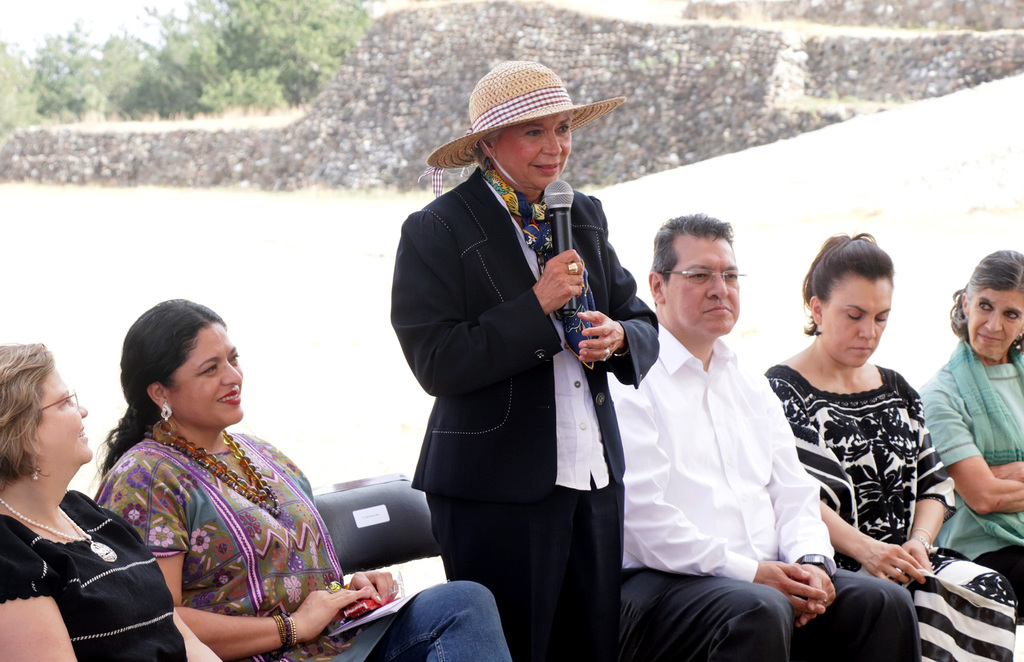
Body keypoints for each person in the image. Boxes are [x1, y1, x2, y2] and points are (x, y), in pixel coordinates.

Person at [390, 60, 659, 661]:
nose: (555, 147)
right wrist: (537, 306)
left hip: (595, 477)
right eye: (534, 131)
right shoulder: (437, 227)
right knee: (512, 649)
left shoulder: (582, 212)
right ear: (488, 144)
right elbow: (436, 360)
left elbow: (641, 320)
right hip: (494, 488)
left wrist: (617, 336)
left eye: (563, 129)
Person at [96, 300, 513, 662]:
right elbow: (156, 621)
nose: (233, 376)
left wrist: (350, 595)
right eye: (210, 369)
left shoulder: (263, 453)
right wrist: (292, 627)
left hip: (338, 642)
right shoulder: (147, 476)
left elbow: (300, 577)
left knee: (463, 601)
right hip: (264, 654)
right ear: (160, 393)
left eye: (234, 359)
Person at [608, 214, 920, 662]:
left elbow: (794, 492)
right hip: (665, 585)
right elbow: (644, 523)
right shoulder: (629, 381)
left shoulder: (750, 383)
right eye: (700, 275)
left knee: (884, 603)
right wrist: (754, 573)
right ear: (658, 287)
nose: (720, 289)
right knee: (760, 608)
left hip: (764, 580)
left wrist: (811, 563)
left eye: (731, 275)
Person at [766, 234, 1016, 660]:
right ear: (817, 308)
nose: (869, 332)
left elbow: (935, 485)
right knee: (898, 601)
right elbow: (794, 496)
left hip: (908, 557)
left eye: (881, 318)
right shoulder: (781, 391)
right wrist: (869, 551)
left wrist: (919, 542)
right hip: (833, 564)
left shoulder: (898, 388)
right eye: (855, 315)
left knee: (988, 587)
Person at [0, 343, 218, 662]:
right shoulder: (11, 556)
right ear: (23, 431)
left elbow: (183, 637)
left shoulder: (88, 514)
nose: (82, 411)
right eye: (65, 402)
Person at [920, 250, 1024, 617]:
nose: (994, 325)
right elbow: (984, 497)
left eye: (1011, 314)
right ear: (966, 303)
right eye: (985, 306)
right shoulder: (939, 395)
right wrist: (992, 485)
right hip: (979, 549)